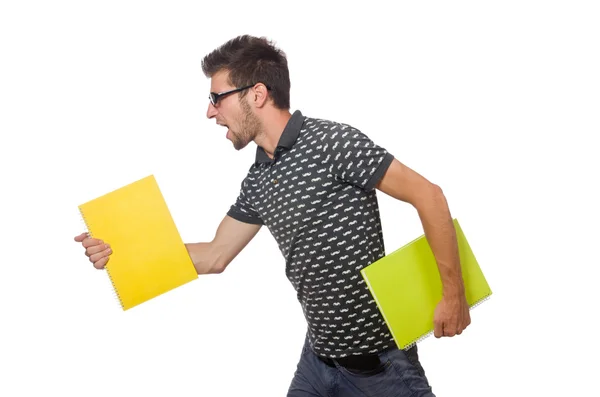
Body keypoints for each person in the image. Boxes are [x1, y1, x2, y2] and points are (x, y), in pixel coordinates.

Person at [74, 35, 471, 396]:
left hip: (380, 369)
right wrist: (121, 251)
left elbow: (429, 196)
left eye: (217, 98)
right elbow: (214, 255)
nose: (210, 113)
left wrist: (452, 294)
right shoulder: (259, 177)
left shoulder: (333, 142)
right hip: (317, 362)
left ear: (257, 93)